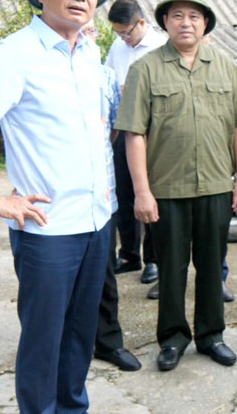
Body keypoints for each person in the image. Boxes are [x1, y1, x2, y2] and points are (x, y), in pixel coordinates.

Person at [0, 0, 114, 413]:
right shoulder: (16, 54)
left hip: (97, 219)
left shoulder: (88, 51)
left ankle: (72, 408)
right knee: (44, 339)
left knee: (81, 334)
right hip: (48, 227)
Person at [115, 0, 237, 371]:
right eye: (177, 15)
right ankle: (173, 339)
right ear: (165, 22)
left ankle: (212, 336)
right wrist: (142, 191)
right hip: (167, 190)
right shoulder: (144, 68)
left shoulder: (226, 65)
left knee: (212, 267)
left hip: (215, 186)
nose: (186, 23)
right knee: (172, 269)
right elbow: (134, 134)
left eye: (194, 16)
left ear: (205, 23)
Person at [80, 20, 143, 372]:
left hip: (101, 200)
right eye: (80, 32)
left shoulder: (104, 76)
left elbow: (117, 127)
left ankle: (108, 342)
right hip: (53, 207)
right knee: (56, 284)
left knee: (104, 277)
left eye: (90, 32)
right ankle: (57, 344)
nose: (85, 37)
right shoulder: (33, 65)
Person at [106, 0, 167, 286]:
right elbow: (107, 80)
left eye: (127, 32)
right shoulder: (118, 47)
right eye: (118, 33)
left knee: (149, 194)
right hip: (123, 128)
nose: (123, 39)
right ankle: (129, 254)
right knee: (124, 193)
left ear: (142, 23)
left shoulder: (161, 47)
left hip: (152, 134)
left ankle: (153, 259)